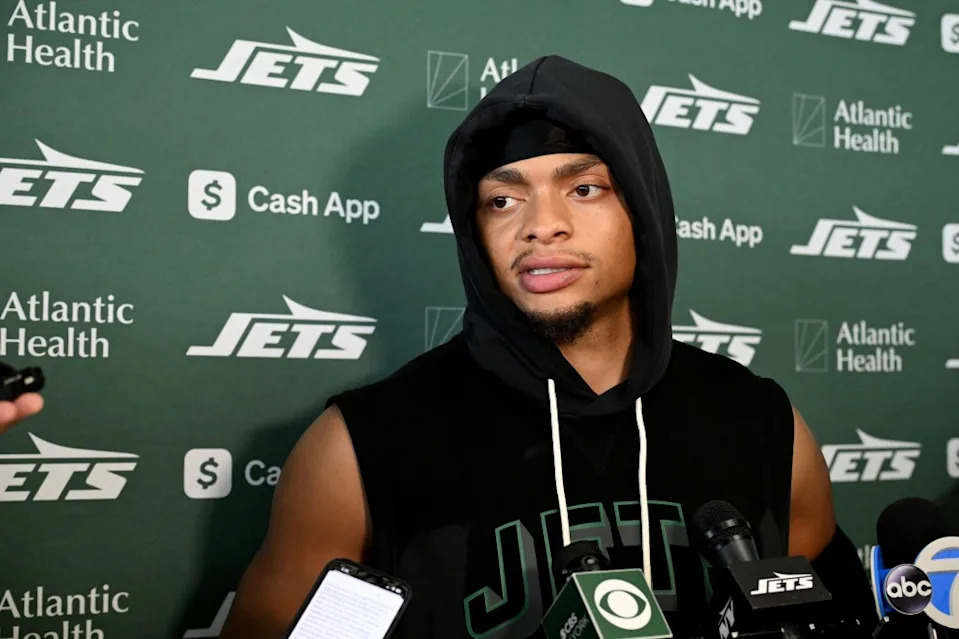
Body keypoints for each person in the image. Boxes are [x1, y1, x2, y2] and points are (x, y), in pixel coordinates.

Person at [219, 55, 875, 638]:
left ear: (641, 210)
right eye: (501, 200)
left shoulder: (760, 423)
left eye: (584, 189)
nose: (541, 226)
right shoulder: (357, 448)